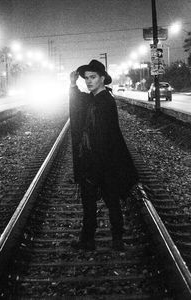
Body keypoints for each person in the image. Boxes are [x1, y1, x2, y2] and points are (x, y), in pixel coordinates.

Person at [69, 60, 138, 251]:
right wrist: (73, 84)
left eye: (93, 77)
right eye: (86, 78)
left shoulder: (106, 101)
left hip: (105, 160)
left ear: (102, 79)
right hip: (92, 160)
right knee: (90, 202)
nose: (89, 81)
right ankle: (89, 239)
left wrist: (99, 162)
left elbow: (108, 135)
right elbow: (78, 103)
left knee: (111, 200)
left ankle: (117, 238)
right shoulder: (93, 98)